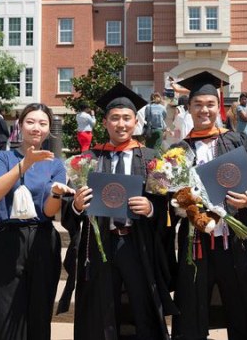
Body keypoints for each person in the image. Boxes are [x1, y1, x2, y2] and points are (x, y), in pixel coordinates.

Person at [58, 83, 177, 339]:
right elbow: (69, 206)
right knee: (102, 307)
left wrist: (151, 209)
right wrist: (77, 205)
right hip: (101, 244)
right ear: (104, 123)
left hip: (138, 243)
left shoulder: (152, 158)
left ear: (136, 122)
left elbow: (167, 204)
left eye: (126, 118)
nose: (120, 124)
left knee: (143, 303)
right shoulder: (88, 159)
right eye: (114, 119)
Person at [170, 72, 247, 340]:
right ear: (188, 108)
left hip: (236, 238)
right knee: (193, 300)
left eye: (210, 104)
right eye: (198, 104)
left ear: (219, 106)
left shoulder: (238, 140)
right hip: (196, 240)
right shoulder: (179, 149)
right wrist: (188, 207)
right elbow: (170, 194)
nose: (204, 110)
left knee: (241, 297)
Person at [0, 103, 74, 340]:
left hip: (42, 240)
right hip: (7, 241)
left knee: (39, 316)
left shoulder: (56, 164)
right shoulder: (3, 157)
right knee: (5, 318)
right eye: (31, 122)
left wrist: (56, 193)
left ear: (49, 129)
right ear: (20, 125)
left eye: (43, 123)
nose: (37, 128)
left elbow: (48, 211)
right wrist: (25, 164)